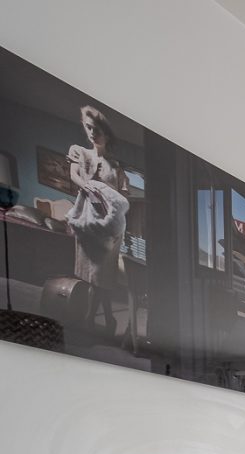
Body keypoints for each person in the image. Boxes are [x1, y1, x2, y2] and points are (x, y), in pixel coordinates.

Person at [65, 104, 133, 347]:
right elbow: (75, 176)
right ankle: (100, 319)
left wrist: (110, 195)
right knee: (94, 275)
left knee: (102, 275)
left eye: (98, 129)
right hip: (87, 221)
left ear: (107, 133)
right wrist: (89, 189)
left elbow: (124, 195)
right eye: (89, 128)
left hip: (110, 226)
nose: (93, 133)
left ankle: (92, 320)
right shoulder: (80, 152)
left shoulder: (116, 167)